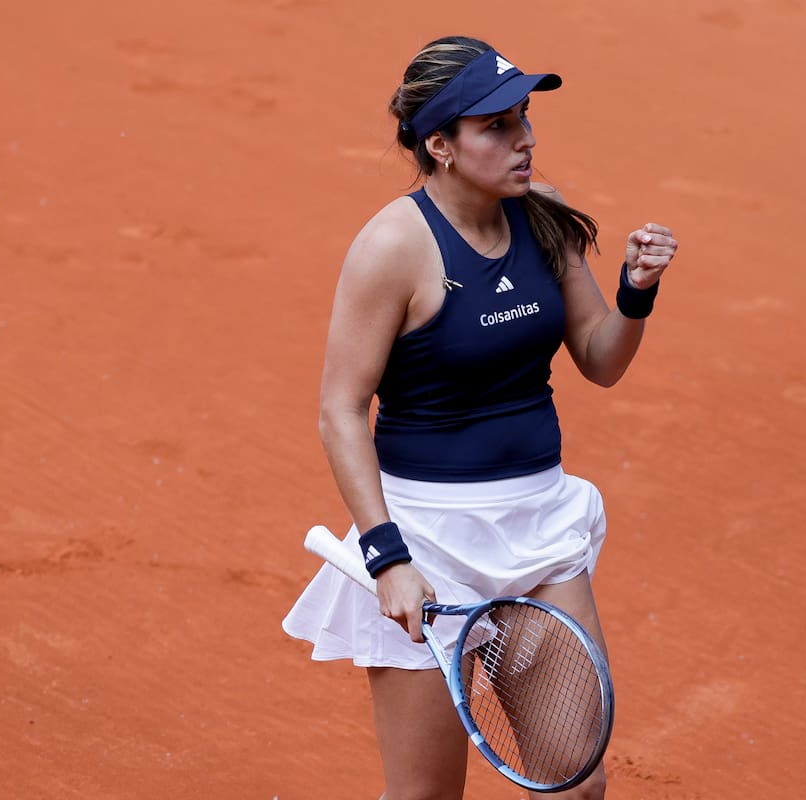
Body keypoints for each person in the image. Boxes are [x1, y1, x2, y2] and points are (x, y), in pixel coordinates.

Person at [282, 35, 679, 800]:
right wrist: (387, 555)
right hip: (428, 541)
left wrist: (635, 291)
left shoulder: (545, 218)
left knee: (577, 782)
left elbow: (601, 359)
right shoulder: (392, 247)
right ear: (440, 145)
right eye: (496, 125)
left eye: (524, 116)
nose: (523, 137)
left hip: (537, 529)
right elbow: (340, 408)